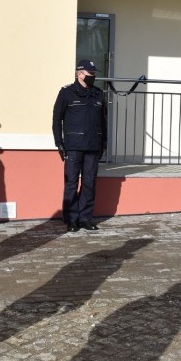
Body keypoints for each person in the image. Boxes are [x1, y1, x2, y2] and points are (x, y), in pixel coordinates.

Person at [52, 59, 108, 232]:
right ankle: (71, 220)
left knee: (89, 183)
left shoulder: (98, 94)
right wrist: (59, 143)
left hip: (93, 146)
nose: (93, 76)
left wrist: (103, 144)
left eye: (94, 74)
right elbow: (56, 120)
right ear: (79, 73)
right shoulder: (67, 93)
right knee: (71, 184)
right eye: (91, 73)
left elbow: (103, 122)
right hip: (73, 147)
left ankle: (85, 219)